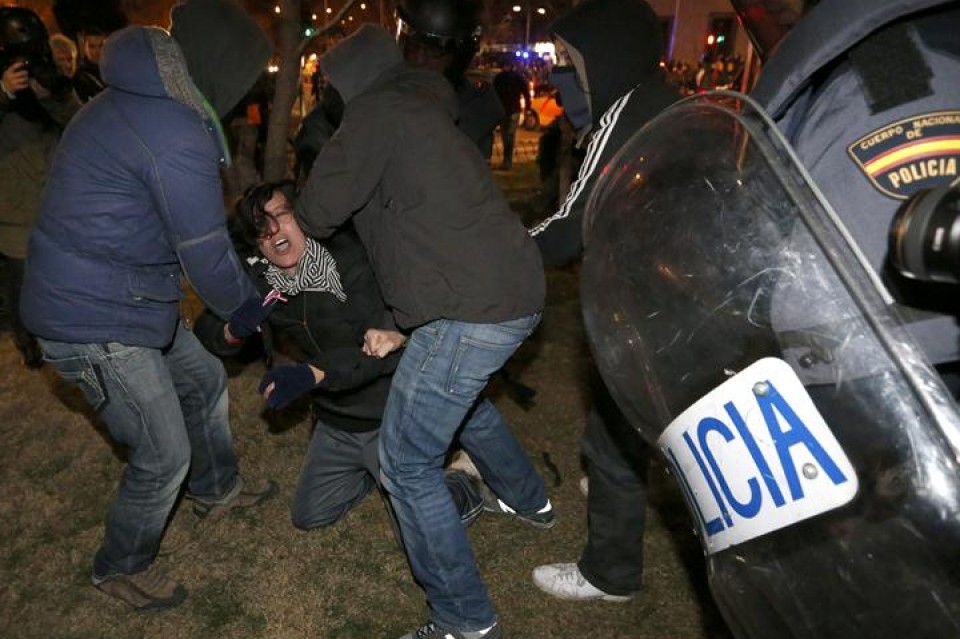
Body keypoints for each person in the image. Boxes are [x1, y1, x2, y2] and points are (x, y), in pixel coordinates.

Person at [20, 0, 276, 613]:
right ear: (221, 66)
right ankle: (119, 566)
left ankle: (216, 491)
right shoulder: (174, 127)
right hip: (91, 316)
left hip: (127, 294)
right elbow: (205, 256)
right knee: (164, 453)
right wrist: (257, 306)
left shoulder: (134, 100)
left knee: (204, 378)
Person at [295, 24, 548, 639]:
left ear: (348, 82)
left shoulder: (375, 112)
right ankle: (526, 498)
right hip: (508, 290)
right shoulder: (424, 105)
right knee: (458, 398)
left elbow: (315, 211)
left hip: (469, 308)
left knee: (406, 462)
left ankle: (463, 619)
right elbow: (420, 223)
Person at [196, 180, 489, 532]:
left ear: (303, 216)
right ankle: (376, 473)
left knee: (422, 528)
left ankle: (463, 480)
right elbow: (206, 327)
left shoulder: (350, 261)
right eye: (261, 230)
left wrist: (311, 375)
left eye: (281, 216)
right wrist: (231, 331)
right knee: (309, 516)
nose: (274, 233)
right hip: (336, 418)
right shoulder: (264, 279)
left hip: (388, 411)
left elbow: (373, 355)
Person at [527, 0, 681, 602]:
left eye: (570, 61)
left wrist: (499, 250)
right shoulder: (660, 98)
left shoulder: (625, 114)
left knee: (612, 437)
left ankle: (610, 573)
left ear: (608, 54)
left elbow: (570, 227)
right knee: (654, 428)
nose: (561, 74)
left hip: (651, 304)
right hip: (682, 292)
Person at [0, 8, 80, 369]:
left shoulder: (46, 76)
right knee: (22, 283)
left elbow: (78, 122)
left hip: (55, 196)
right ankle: (29, 343)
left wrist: (50, 94)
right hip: (13, 206)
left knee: (65, 271)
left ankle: (70, 328)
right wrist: (2, 92)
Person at [395, 0, 504, 162]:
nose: (419, 60)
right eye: (412, 47)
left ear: (459, 57)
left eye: (434, 52)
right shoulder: (385, 95)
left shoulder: (470, 116)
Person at [492, 59, 531, 170]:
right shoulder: (517, 77)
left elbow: (494, 94)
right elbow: (525, 92)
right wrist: (527, 106)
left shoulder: (499, 78)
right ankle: (508, 161)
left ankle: (507, 161)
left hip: (505, 110)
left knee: (506, 136)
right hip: (513, 109)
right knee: (509, 135)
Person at [72, 29, 105, 102]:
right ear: (84, 48)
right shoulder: (81, 75)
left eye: (100, 46)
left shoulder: (113, 65)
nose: (97, 51)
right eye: (92, 46)